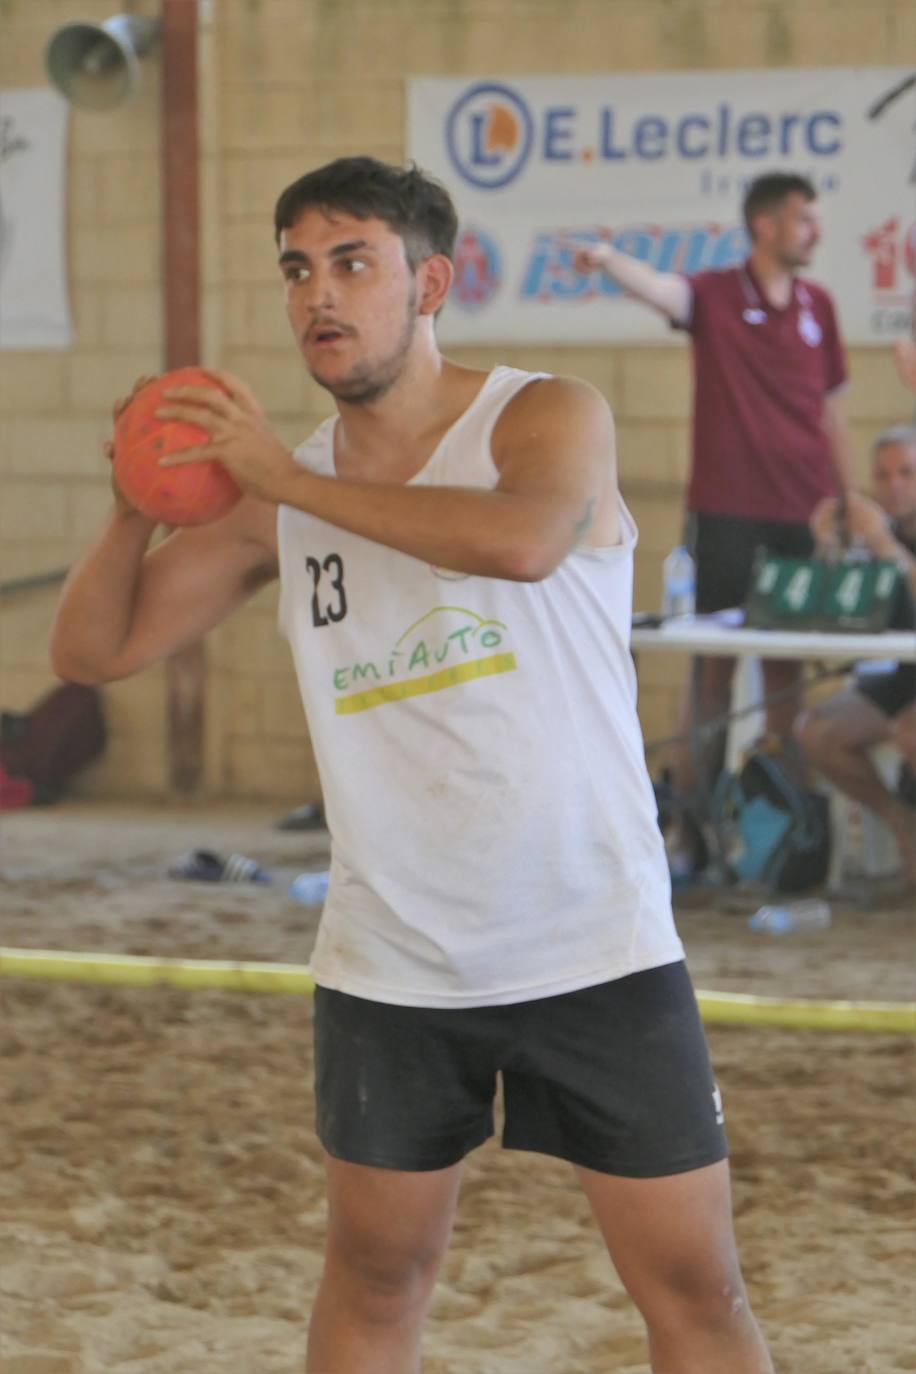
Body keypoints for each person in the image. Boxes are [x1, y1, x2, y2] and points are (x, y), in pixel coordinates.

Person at [50, 156, 772, 1374]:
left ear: (429, 281)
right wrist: (136, 495)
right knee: (378, 1278)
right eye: (295, 269)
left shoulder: (546, 416)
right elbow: (92, 647)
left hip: (590, 939)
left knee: (694, 1289)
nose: (318, 295)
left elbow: (525, 541)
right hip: (393, 961)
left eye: (352, 262)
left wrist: (284, 480)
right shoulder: (278, 501)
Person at [575, 171, 854, 876]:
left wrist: (845, 501)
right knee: (711, 672)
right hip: (727, 515)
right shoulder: (718, 295)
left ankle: (780, 830)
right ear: (765, 225)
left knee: (786, 676)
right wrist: (609, 262)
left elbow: (833, 412)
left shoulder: (820, 305)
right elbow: (664, 291)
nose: (814, 231)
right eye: (803, 219)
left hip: (804, 518)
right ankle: (690, 838)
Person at [794, 425, 916, 884]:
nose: (895, 485)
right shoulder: (870, 534)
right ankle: (901, 824)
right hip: (899, 673)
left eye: (907, 472)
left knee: (909, 732)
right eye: (883, 476)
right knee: (817, 731)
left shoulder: (884, 538)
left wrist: (887, 546)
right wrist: (828, 545)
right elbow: (824, 612)